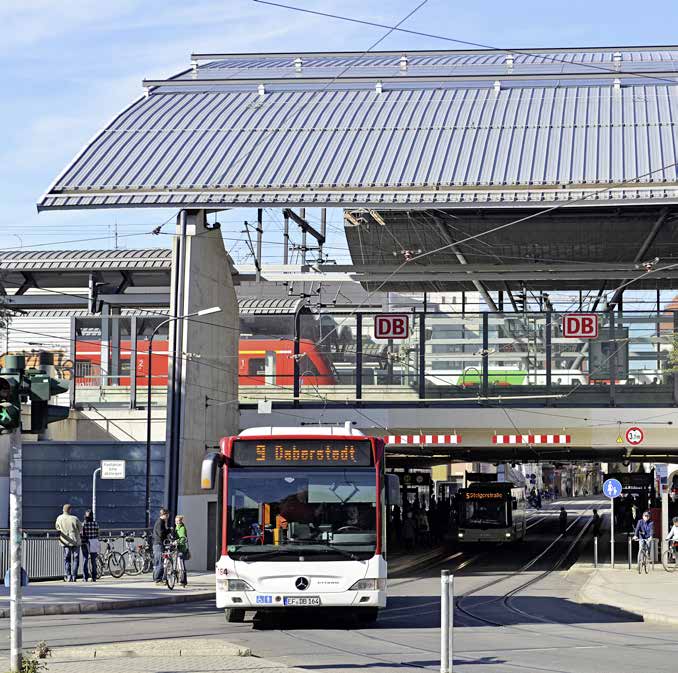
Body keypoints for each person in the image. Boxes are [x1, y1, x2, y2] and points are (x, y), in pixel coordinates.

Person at [55, 503, 82, 582]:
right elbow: (80, 529)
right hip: (75, 541)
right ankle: (74, 576)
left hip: (65, 541)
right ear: (70, 510)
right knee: (76, 559)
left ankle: (68, 575)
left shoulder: (59, 518)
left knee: (67, 559)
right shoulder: (75, 518)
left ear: (63, 510)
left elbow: (57, 527)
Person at [81, 509, 100, 582]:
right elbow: (98, 533)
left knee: (85, 559)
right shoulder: (95, 523)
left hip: (85, 542)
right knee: (93, 560)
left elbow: (81, 534)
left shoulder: (83, 524)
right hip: (94, 542)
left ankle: (85, 577)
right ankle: (94, 577)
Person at [152, 507, 170, 584]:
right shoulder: (160, 522)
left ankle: (156, 578)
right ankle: (158, 579)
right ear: (165, 515)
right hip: (159, 544)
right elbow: (161, 534)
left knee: (157, 562)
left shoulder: (159, 522)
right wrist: (168, 530)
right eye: (167, 515)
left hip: (156, 544)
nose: (168, 517)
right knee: (160, 562)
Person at [173, 515, 189, 588]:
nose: (176, 522)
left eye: (178, 521)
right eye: (176, 521)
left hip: (181, 549)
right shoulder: (176, 527)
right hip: (176, 548)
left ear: (181, 521)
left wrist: (178, 542)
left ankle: (183, 581)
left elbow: (183, 538)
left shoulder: (182, 528)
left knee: (181, 565)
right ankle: (179, 579)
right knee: (177, 564)